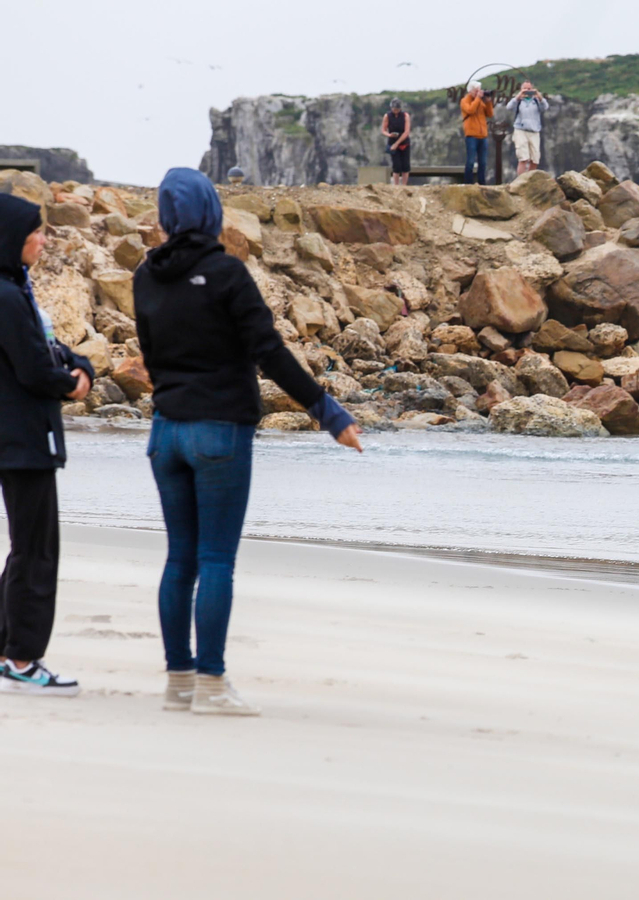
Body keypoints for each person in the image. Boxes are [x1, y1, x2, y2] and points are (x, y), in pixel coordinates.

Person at [133, 168, 364, 716]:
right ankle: (211, 685)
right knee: (215, 559)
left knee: (179, 561)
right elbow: (271, 352)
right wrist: (327, 413)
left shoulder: (145, 276)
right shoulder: (226, 273)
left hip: (165, 434)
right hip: (219, 433)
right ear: (210, 214)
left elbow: (151, 354)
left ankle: (179, 683)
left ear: (167, 217)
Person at [0, 195, 93, 696]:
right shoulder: (8, 295)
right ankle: (23, 658)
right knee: (37, 552)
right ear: (13, 238)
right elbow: (36, 369)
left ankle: (6, 648)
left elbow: (50, 348)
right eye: (36, 231)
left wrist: (82, 367)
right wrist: (70, 383)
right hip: (22, 440)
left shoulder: (16, 288)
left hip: (19, 438)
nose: (43, 239)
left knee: (26, 547)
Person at [502, 82, 550, 177]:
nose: (527, 91)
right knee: (523, 157)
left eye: (529, 89)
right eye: (525, 89)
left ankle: (529, 179)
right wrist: (519, 96)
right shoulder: (518, 101)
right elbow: (509, 106)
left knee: (535, 158)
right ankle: (521, 180)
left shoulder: (536, 101)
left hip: (534, 130)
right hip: (521, 130)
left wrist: (539, 96)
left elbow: (545, 107)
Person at [460, 81, 494, 185]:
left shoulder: (481, 102)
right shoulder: (465, 101)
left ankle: (482, 183)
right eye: (477, 90)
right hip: (471, 136)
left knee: (483, 162)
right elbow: (470, 110)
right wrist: (478, 99)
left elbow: (490, 114)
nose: (479, 92)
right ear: (471, 91)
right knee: (470, 162)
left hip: (483, 135)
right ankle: (468, 183)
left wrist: (488, 102)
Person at [381, 98, 412, 186]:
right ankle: (396, 185)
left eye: (397, 109)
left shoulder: (405, 116)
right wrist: (389, 135)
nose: (395, 111)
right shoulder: (387, 116)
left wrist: (397, 143)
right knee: (396, 165)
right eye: (394, 109)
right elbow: (383, 130)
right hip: (392, 142)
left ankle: (404, 185)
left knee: (406, 165)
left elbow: (406, 131)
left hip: (404, 142)